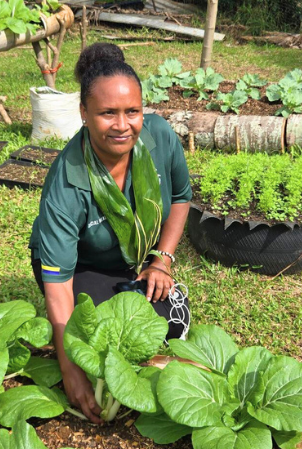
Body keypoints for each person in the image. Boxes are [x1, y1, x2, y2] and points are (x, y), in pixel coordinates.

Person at [29, 43, 192, 424]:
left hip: (138, 258)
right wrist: (70, 368)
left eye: (132, 111)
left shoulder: (159, 137)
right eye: (107, 113)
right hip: (82, 265)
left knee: (171, 321)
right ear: (84, 113)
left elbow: (181, 198)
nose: (123, 125)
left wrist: (162, 261)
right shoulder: (67, 181)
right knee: (98, 335)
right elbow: (58, 284)